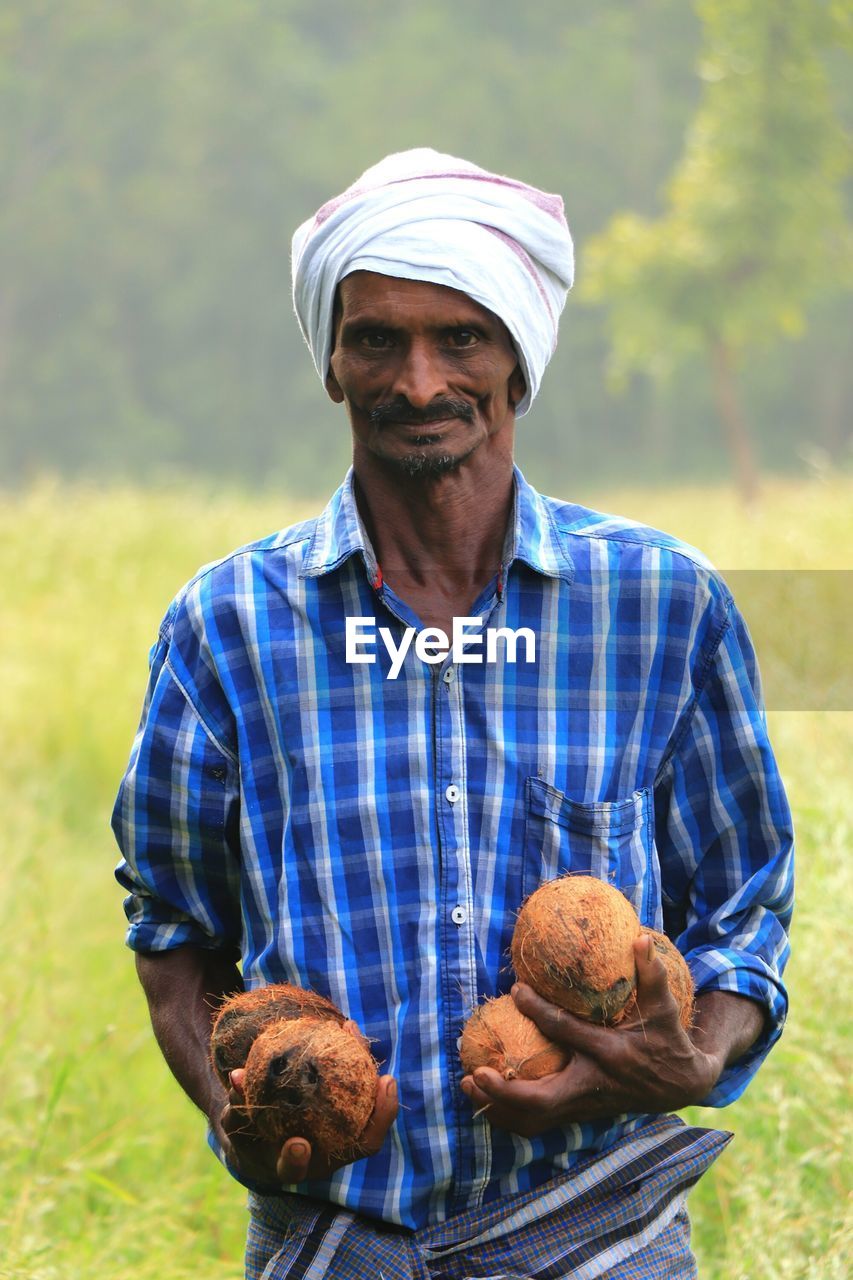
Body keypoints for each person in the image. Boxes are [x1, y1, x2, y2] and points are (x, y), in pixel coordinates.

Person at [113, 149, 794, 1279]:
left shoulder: (661, 604)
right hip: (336, 1238)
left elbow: (747, 899)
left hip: (599, 1230)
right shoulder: (226, 622)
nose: (418, 382)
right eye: (376, 337)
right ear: (331, 363)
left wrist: (691, 1053)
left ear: (519, 361)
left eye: (461, 339)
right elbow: (174, 925)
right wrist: (241, 1117)